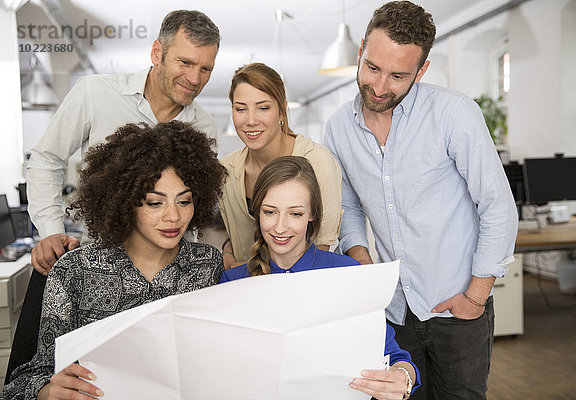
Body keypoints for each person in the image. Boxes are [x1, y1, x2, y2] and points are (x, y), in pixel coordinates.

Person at [323, 2, 518, 399]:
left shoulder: (454, 114)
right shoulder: (339, 127)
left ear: (422, 71)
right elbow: (349, 207)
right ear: (361, 50)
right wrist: (360, 257)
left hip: (458, 306)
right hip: (394, 309)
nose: (379, 87)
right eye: (372, 68)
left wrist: (476, 295)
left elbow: (497, 206)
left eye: (398, 76)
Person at [2, 121, 227, 399]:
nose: (174, 217)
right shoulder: (75, 270)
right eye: (155, 203)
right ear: (124, 201)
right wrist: (47, 391)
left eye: (184, 201)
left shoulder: (207, 265)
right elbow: (19, 385)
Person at [27, 10, 221, 275]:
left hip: (170, 275)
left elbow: (195, 205)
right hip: (100, 268)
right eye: (185, 63)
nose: (195, 79)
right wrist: (51, 231)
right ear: (157, 53)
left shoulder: (204, 126)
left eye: (205, 68)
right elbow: (46, 159)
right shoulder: (94, 93)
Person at [220, 156, 420, 400]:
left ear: (312, 214)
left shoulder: (348, 274)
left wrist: (404, 378)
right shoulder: (231, 284)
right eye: (270, 212)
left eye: (295, 213)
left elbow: (394, 356)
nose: (280, 227)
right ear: (257, 211)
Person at [219, 63, 342, 269]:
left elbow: (322, 245)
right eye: (240, 109)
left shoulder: (317, 161)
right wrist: (228, 251)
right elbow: (235, 231)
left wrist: (249, 268)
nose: (250, 120)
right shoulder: (227, 171)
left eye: (263, 108)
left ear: (282, 111)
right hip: (243, 291)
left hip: (304, 288)